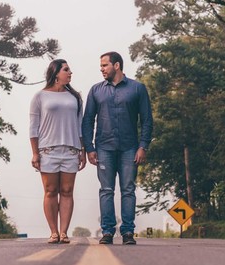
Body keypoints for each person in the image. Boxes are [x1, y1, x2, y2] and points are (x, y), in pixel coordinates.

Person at [81, 51, 153, 245]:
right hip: (104, 148)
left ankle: (128, 232)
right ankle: (107, 232)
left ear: (117, 65)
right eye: (101, 66)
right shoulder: (96, 90)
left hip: (130, 148)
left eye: (105, 65)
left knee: (128, 189)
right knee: (106, 190)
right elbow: (87, 120)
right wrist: (89, 148)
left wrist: (143, 146)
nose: (101, 69)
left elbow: (147, 120)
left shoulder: (137, 88)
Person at [29, 58, 86, 244]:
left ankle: (64, 232)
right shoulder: (40, 96)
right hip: (47, 150)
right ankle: (53, 232)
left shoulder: (75, 97)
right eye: (66, 70)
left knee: (67, 190)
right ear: (55, 74)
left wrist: (82, 150)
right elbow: (33, 127)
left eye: (69, 70)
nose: (70, 73)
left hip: (70, 150)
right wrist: (35, 152)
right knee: (50, 191)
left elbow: (80, 126)